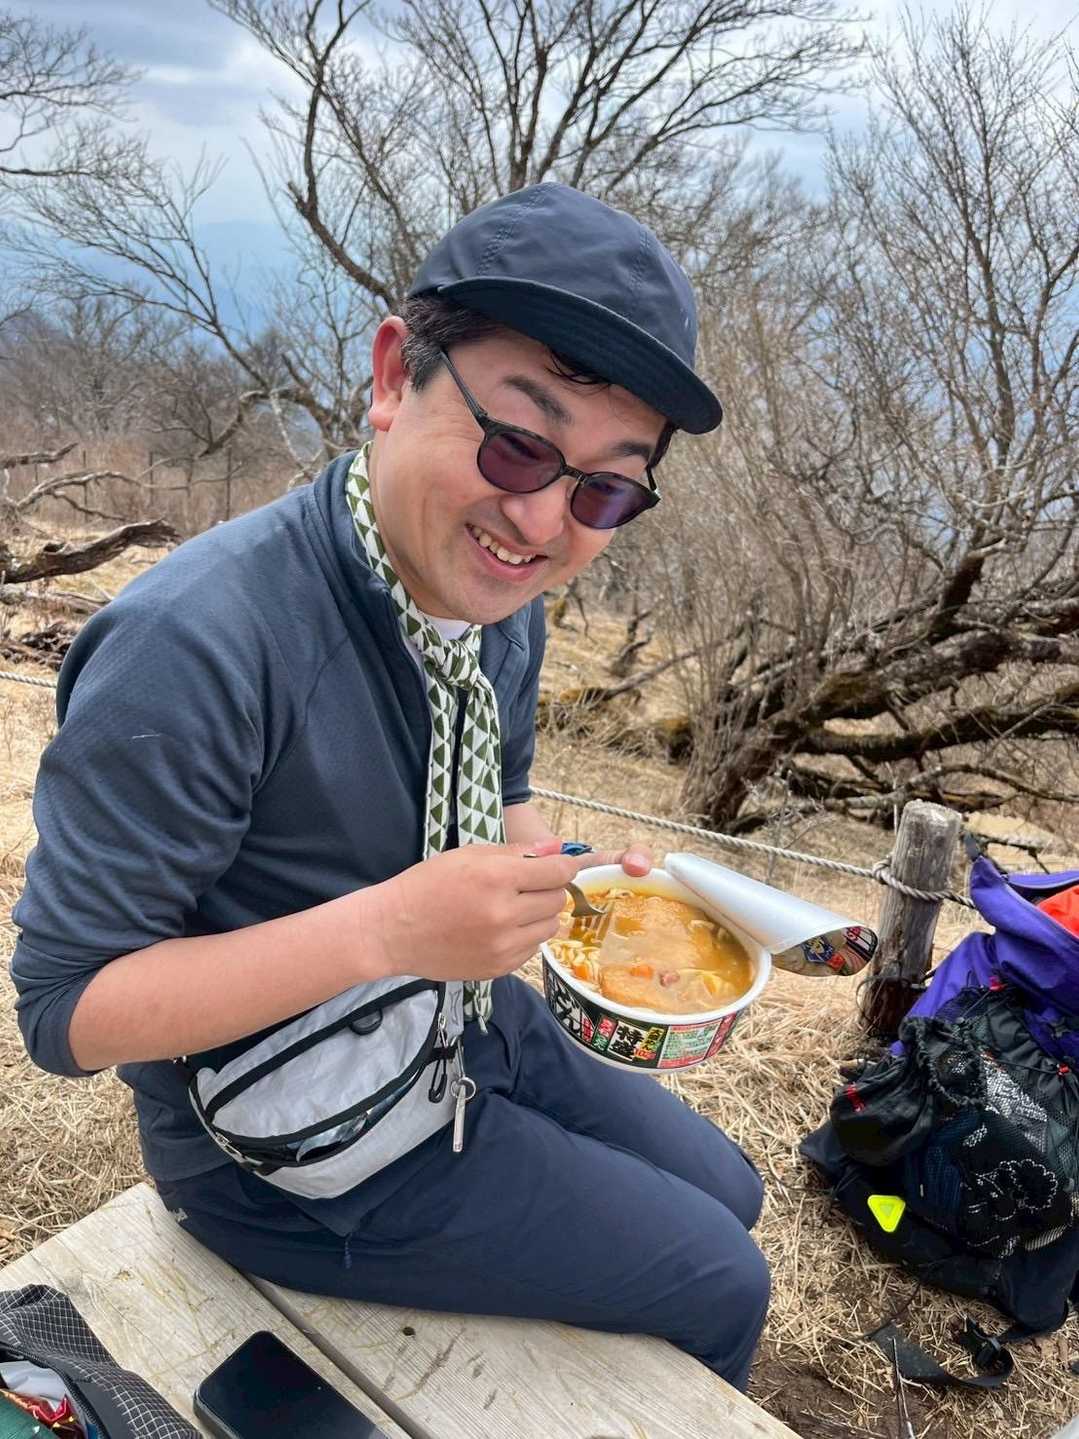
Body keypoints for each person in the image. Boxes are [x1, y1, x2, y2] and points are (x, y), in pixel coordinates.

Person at [11, 183, 770, 1391]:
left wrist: (600, 908)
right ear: (389, 376)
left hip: (457, 1018)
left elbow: (501, 795)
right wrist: (388, 930)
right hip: (276, 1144)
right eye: (517, 442)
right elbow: (66, 1010)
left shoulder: (496, 599)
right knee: (728, 1278)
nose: (540, 518)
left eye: (603, 489)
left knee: (734, 1188)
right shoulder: (194, 644)